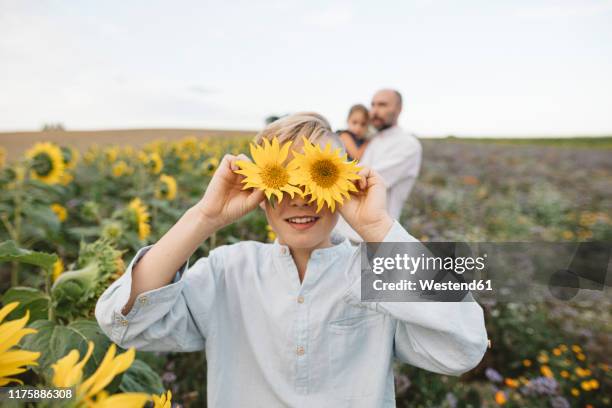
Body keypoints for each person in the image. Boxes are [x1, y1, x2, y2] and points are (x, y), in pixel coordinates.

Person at [95, 113, 487, 407]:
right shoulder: (229, 270)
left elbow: (463, 347)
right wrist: (205, 217)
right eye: (280, 180)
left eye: (317, 178)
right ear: (259, 193)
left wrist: (379, 229)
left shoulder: (370, 270)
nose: (298, 198)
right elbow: (123, 322)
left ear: (344, 184)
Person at [335, 89, 422, 243]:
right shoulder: (369, 139)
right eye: (373, 105)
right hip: (339, 235)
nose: (374, 111)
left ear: (399, 109)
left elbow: (363, 182)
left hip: (368, 240)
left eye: (382, 105)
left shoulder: (408, 144)